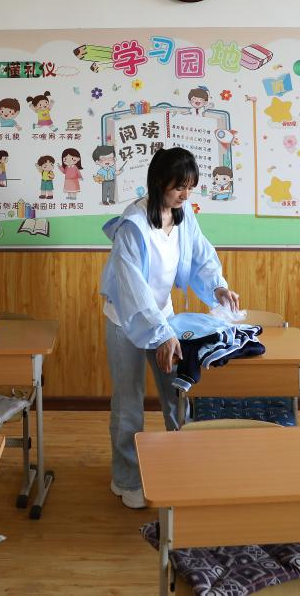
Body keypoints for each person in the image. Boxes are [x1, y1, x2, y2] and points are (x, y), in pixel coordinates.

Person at [99, 146, 240, 508]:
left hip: (163, 317)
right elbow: (133, 290)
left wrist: (218, 286)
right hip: (126, 320)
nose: (185, 195)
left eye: (190, 187)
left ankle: (182, 467)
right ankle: (126, 478)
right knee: (129, 403)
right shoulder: (133, 226)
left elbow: (201, 253)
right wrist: (161, 334)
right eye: (179, 187)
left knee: (177, 396)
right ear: (159, 182)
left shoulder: (182, 214)